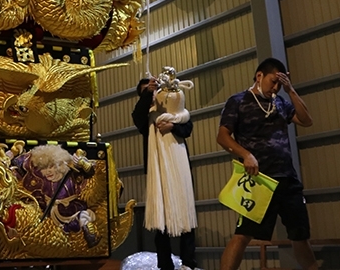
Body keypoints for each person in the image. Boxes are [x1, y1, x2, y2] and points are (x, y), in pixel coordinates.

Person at [217, 58, 317, 270]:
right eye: (273, 81)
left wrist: (290, 91)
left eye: (280, 83)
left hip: (287, 180)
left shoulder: (280, 102)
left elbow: (306, 120)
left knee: (300, 236)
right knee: (243, 235)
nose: (275, 87)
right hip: (260, 181)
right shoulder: (238, 101)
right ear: (259, 76)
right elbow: (223, 136)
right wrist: (245, 154)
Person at [132, 75, 201, 270]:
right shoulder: (146, 118)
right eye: (147, 91)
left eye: (154, 90)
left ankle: (189, 263)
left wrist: (173, 126)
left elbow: (187, 127)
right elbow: (137, 116)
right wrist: (147, 96)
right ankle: (165, 265)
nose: (153, 93)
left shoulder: (176, 113)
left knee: (186, 213)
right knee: (160, 219)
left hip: (180, 170)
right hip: (158, 171)